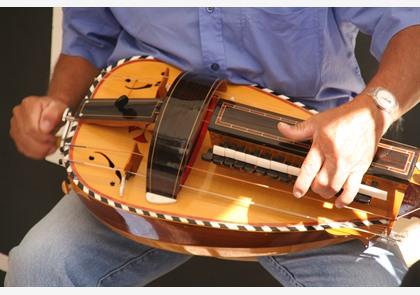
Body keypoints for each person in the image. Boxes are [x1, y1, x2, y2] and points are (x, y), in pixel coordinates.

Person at [6, 8, 420, 286]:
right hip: (143, 149)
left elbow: (410, 23)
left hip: (306, 155)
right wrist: (56, 103)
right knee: (38, 268)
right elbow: (89, 38)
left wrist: (373, 111)